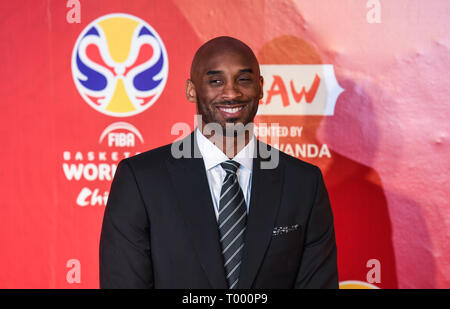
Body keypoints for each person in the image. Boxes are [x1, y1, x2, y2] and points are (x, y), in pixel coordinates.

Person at [99, 36, 338, 289]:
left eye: (243, 80)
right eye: (216, 81)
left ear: (261, 87)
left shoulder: (303, 183)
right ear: (191, 90)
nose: (232, 93)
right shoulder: (141, 180)